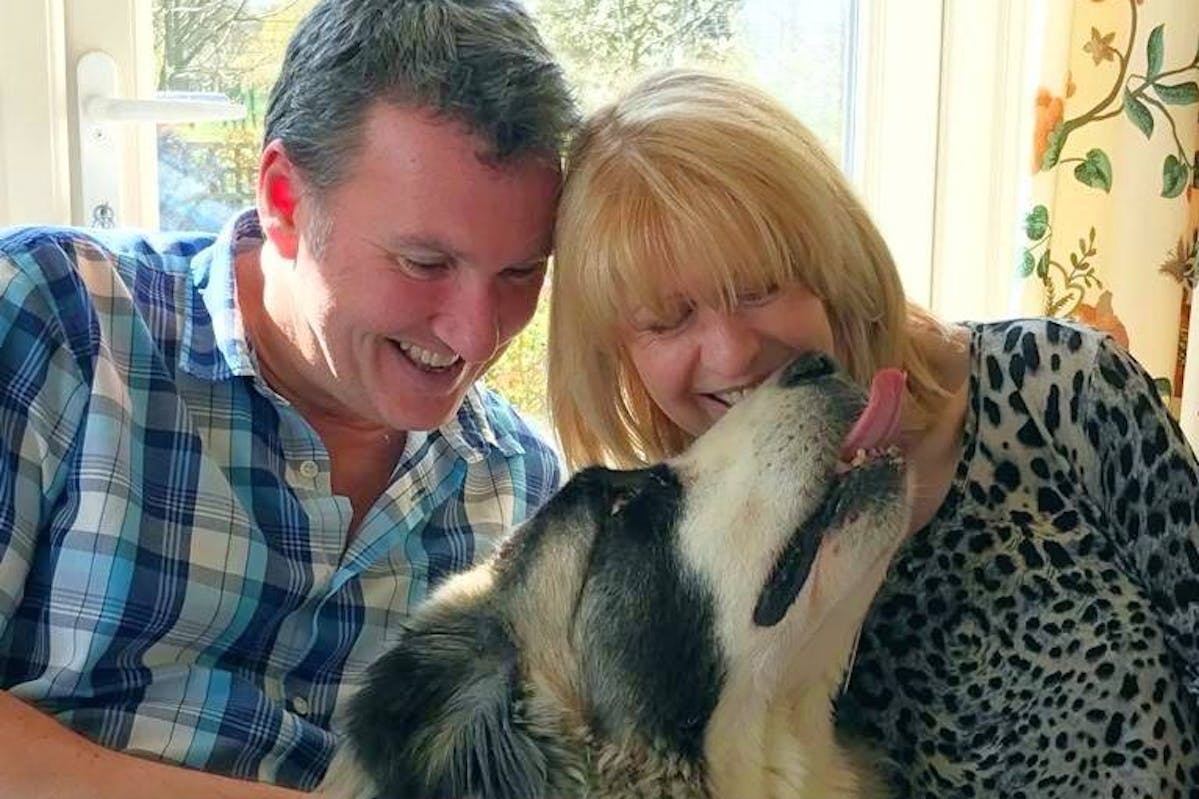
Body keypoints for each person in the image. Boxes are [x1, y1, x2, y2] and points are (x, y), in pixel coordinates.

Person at [547, 67, 1199, 796]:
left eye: (760, 286)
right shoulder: (680, 581)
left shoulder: (1063, 387)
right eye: (667, 320)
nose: (732, 353)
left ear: (834, 260)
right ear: (616, 352)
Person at [0, 1, 576, 795]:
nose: (476, 333)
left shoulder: (518, 488)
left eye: (519, 273)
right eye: (422, 262)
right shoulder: (53, 321)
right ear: (283, 201)